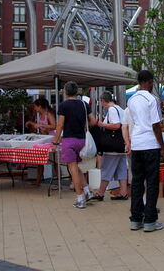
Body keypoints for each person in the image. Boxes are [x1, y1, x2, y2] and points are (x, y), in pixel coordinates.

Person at [126, 70, 164, 232]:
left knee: (136, 182)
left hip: (137, 144)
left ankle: (135, 219)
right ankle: (150, 220)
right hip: (150, 144)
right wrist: (162, 146)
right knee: (151, 183)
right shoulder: (152, 99)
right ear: (149, 82)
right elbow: (156, 125)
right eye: (152, 83)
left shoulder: (131, 99)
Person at [52, 81, 97, 209]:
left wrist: (55, 142)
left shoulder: (64, 105)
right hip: (82, 140)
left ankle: (79, 199)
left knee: (73, 170)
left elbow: (60, 125)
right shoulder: (83, 104)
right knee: (77, 168)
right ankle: (87, 191)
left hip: (69, 140)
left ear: (65, 92)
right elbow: (93, 121)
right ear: (77, 91)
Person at [92, 91, 128, 201]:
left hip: (112, 147)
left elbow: (116, 125)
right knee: (122, 169)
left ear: (103, 101)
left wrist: (101, 124)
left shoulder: (112, 110)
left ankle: (100, 193)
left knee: (106, 169)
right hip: (121, 145)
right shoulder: (120, 109)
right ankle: (123, 192)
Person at [26, 97, 56, 187]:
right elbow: (39, 126)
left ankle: (58, 180)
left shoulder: (49, 114)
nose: (35, 108)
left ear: (40, 106)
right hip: (43, 139)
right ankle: (38, 180)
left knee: (55, 161)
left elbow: (54, 126)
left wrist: (42, 125)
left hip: (51, 139)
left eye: (35, 106)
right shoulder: (40, 115)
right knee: (40, 161)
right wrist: (31, 123)